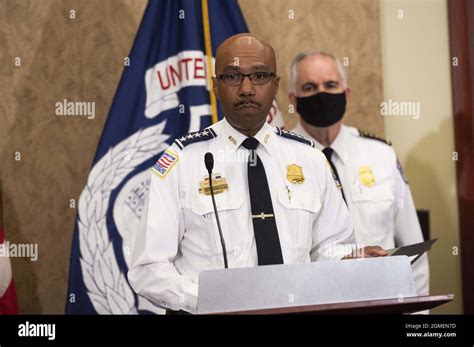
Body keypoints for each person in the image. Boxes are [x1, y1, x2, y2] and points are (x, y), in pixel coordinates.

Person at [128, 34, 386, 314]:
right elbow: (148, 268)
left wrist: (353, 259)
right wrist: (212, 300)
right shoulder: (182, 161)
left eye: (260, 76)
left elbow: (328, 247)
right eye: (233, 77)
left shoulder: (309, 159)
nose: (247, 89)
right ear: (215, 86)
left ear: (275, 85)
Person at [288, 50, 429, 298]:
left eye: (330, 85)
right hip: (314, 302)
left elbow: (413, 250)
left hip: (383, 302)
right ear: (294, 99)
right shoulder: (281, 158)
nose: (321, 93)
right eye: (309, 87)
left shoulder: (381, 155)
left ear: (346, 93)